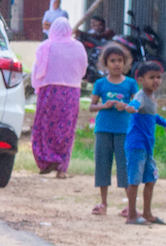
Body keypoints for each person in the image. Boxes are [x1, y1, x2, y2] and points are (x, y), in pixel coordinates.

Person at [30, 15, 85, 178]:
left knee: (45, 126)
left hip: (49, 91)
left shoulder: (46, 46)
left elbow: (37, 69)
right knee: (66, 129)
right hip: (71, 93)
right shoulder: (78, 47)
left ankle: (46, 161)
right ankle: (61, 167)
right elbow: (83, 69)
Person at [88, 42, 136, 217]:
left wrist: (127, 106)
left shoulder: (130, 83)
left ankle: (130, 205)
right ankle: (103, 203)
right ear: (105, 63)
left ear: (125, 63)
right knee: (102, 164)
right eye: (113, 61)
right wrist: (104, 105)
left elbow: (137, 105)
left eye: (120, 61)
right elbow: (92, 107)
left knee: (125, 166)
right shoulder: (100, 84)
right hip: (103, 129)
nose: (117, 64)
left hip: (124, 130)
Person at [125, 58, 166, 226]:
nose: (156, 81)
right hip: (136, 145)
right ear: (140, 80)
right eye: (152, 77)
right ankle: (131, 215)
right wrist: (131, 107)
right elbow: (135, 104)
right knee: (134, 181)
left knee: (150, 179)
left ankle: (147, 213)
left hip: (147, 146)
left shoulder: (151, 97)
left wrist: (165, 123)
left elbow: (153, 115)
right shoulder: (141, 96)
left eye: (158, 77)